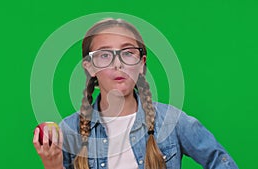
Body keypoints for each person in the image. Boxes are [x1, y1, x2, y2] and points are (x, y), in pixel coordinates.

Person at [33, 18, 238, 169]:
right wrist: (53, 165)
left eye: (128, 53)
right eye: (104, 55)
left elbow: (222, 163)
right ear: (90, 67)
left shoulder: (172, 121)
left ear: (141, 64)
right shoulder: (69, 130)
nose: (118, 63)